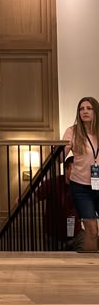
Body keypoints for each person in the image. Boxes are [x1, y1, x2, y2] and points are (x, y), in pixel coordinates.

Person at [63, 97, 99, 252]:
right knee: (92, 229)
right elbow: (58, 157)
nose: (84, 111)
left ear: (95, 111)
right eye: (81, 108)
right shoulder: (73, 131)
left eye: (89, 108)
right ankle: (91, 270)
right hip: (81, 187)